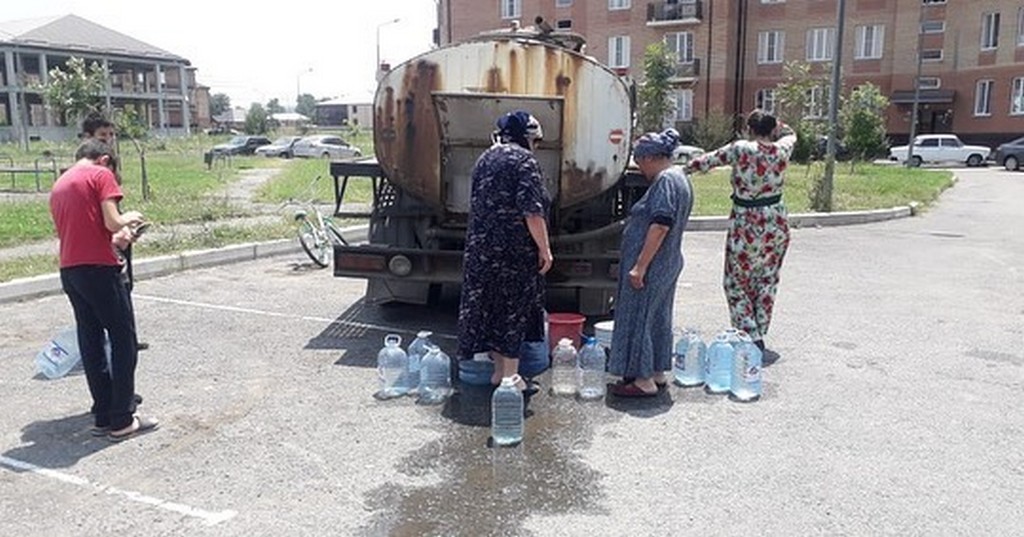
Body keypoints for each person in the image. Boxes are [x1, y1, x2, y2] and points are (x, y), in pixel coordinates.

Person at [49, 139, 158, 441]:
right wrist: (130, 218)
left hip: (71, 270)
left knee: (92, 340)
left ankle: (103, 414)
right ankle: (122, 418)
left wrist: (113, 237)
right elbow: (112, 222)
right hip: (99, 270)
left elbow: (81, 230)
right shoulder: (100, 175)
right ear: (105, 159)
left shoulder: (61, 183)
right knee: (124, 339)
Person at [686, 109, 797, 353]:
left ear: (749, 129)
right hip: (777, 221)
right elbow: (792, 135)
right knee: (767, 278)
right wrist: (781, 125)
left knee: (736, 281)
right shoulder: (782, 149)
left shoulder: (741, 149)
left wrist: (683, 170)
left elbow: (706, 161)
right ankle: (758, 329)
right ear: (772, 130)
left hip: (747, 222)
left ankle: (749, 335)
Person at [457, 110, 552, 392]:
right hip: (513, 252)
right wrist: (544, 248)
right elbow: (532, 211)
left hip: (480, 250)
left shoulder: (485, 158)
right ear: (528, 137)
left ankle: (498, 371)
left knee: (488, 307)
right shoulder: (524, 161)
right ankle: (511, 377)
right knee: (512, 310)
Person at [608, 128, 695, 398]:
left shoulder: (664, 181)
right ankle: (657, 372)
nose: (640, 168)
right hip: (668, 261)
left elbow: (660, 224)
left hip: (653, 264)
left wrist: (640, 265)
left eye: (639, 160)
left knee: (640, 318)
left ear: (648, 158)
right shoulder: (681, 177)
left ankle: (642, 380)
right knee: (657, 317)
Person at [81, 113, 150, 352]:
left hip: (118, 235)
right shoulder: (86, 168)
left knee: (126, 285)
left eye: (111, 135)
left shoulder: (109, 163)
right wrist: (116, 230)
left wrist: (126, 227)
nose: (109, 140)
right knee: (109, 295)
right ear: (88, 137)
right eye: (103, 135)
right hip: (101, 243)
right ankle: (116, 342)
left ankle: (128, 338)